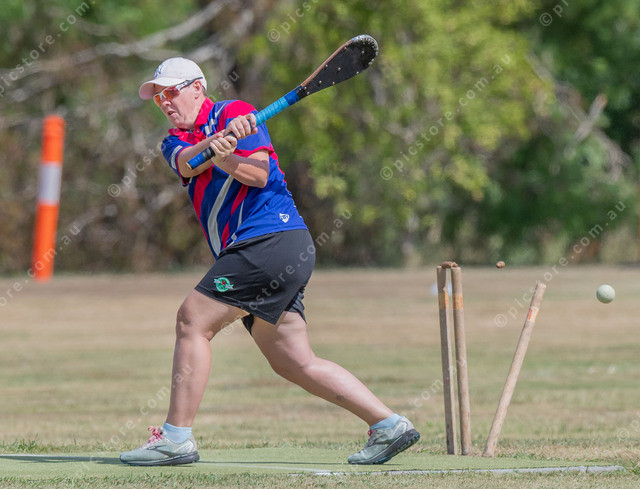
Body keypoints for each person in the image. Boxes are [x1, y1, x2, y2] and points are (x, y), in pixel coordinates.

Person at [120, 57, 420, 466]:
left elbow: (258, 175)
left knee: (193, 320)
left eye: (171, 92)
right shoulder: (174, 142)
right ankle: (388, 424)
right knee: (293, 361)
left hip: (269, 239)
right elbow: (189, 162)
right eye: (159, 99)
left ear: (197, 88)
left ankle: (175, 438)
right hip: (277, 249)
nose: (166, 103)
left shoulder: (235, 111)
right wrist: (218, 144)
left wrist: (226, 153)